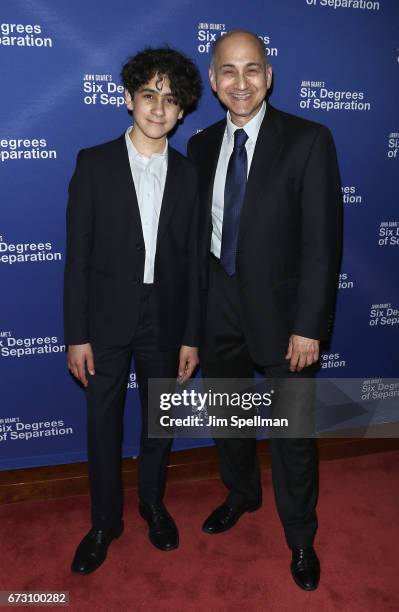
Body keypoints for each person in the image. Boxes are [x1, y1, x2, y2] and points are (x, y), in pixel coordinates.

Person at [187, 30, 342, 591]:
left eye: (252, 69)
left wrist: (308, 326)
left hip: (283, 319)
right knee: (229, 418)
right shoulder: (201, 145)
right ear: (213, 80)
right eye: (229, 71)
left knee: (292, 437)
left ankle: (301, 537)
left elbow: (323, 245)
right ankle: (242, 495)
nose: (241, 82)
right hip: (217, 308)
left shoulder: (308, 139)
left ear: (269, 76)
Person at [64, 47, 202, 574]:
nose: (158, 108)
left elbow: (193, 266)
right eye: (149, 95)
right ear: (128, 99)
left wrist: (191, 335)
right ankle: (104, 522)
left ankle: (152, 503)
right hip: (104, 319)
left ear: (183, 110)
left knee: (159, 421)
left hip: (165, 317)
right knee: (102, 423)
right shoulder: (93, 163)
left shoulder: (189, 175)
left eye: (170, 99)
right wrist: (76, 334)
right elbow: (76, 257)